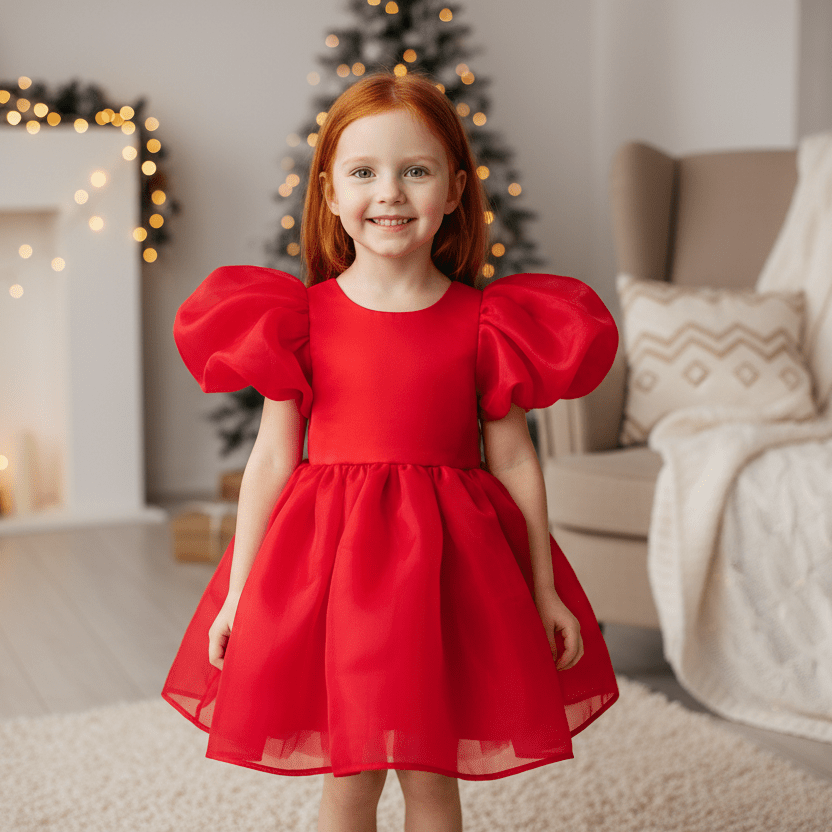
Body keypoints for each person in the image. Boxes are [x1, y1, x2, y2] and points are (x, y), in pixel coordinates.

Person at [162, 71, 620, 832]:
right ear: (330, 194)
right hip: (333, 577)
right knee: (351, 779)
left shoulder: (486, 323)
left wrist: (543, 587)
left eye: (416, 171)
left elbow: (513, 462)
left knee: (434, 782)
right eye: (364, 172)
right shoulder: (300, 321)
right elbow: (273, 461)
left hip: (449, 576)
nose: (391, 193)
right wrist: (241, 592)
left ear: (454, 189)